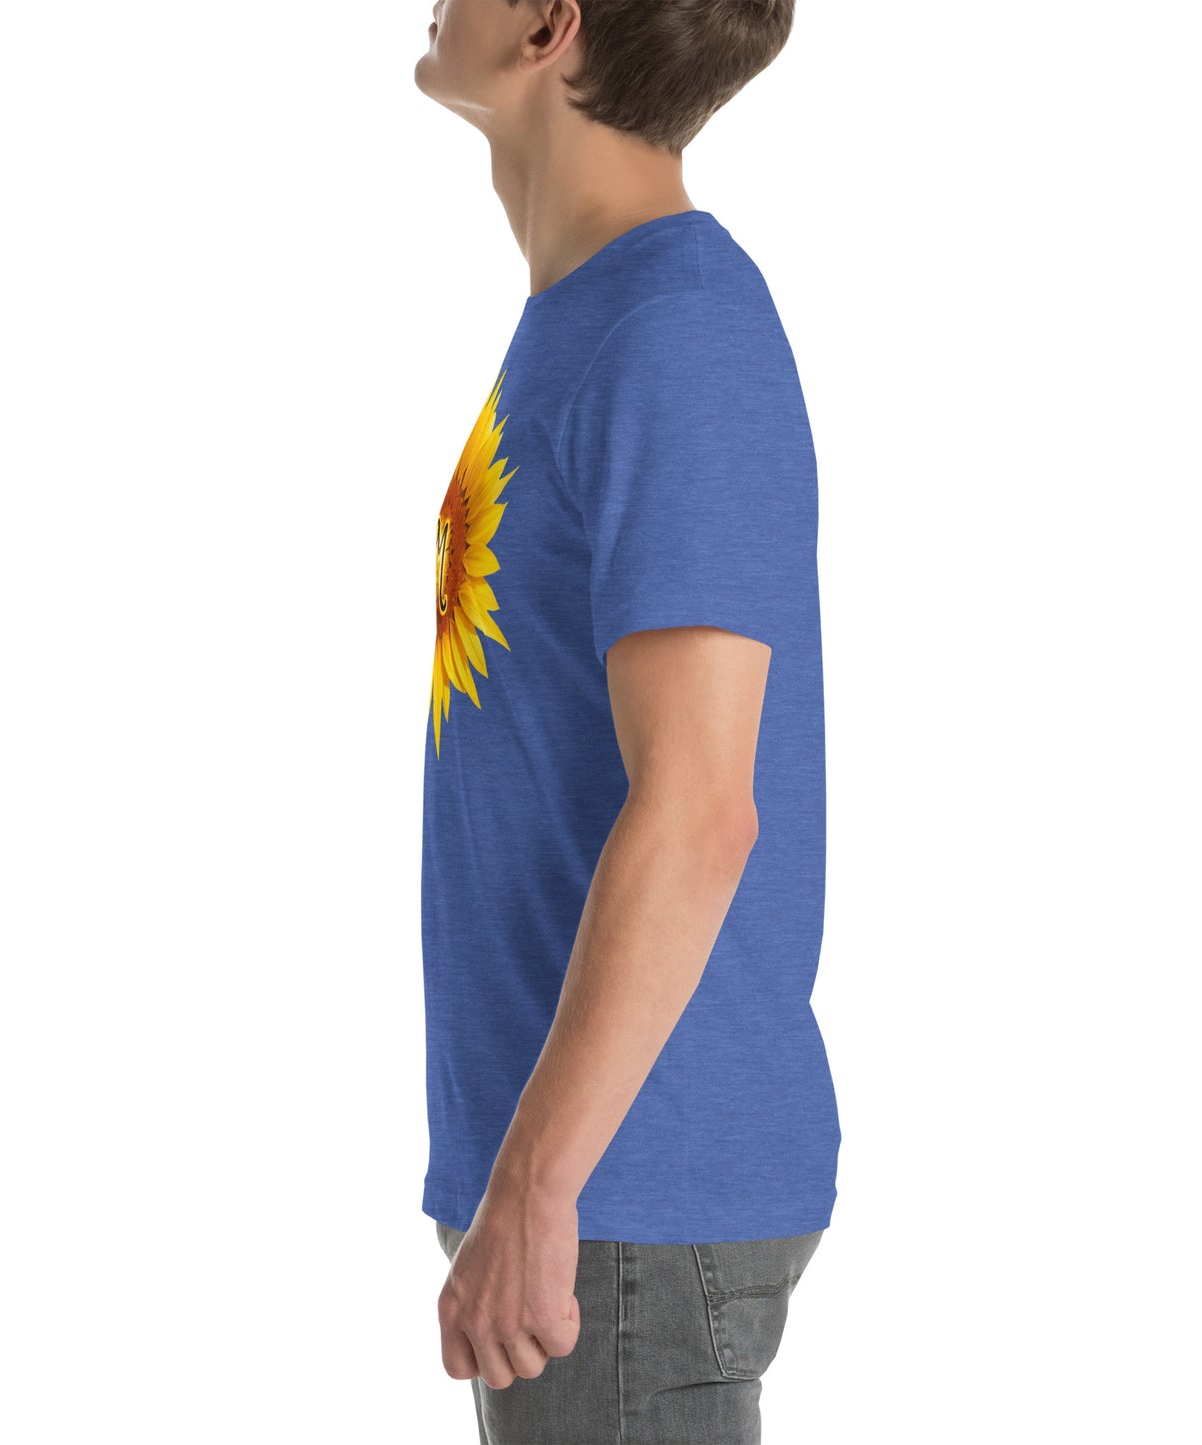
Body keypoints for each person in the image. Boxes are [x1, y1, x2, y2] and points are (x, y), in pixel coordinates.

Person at [413, 3, 840, 1440]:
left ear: (550, 23)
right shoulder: (594, 315)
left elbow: (701, 804)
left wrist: (540, 1184)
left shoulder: (675, 330)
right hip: (588, 1190)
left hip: (623, 1200)